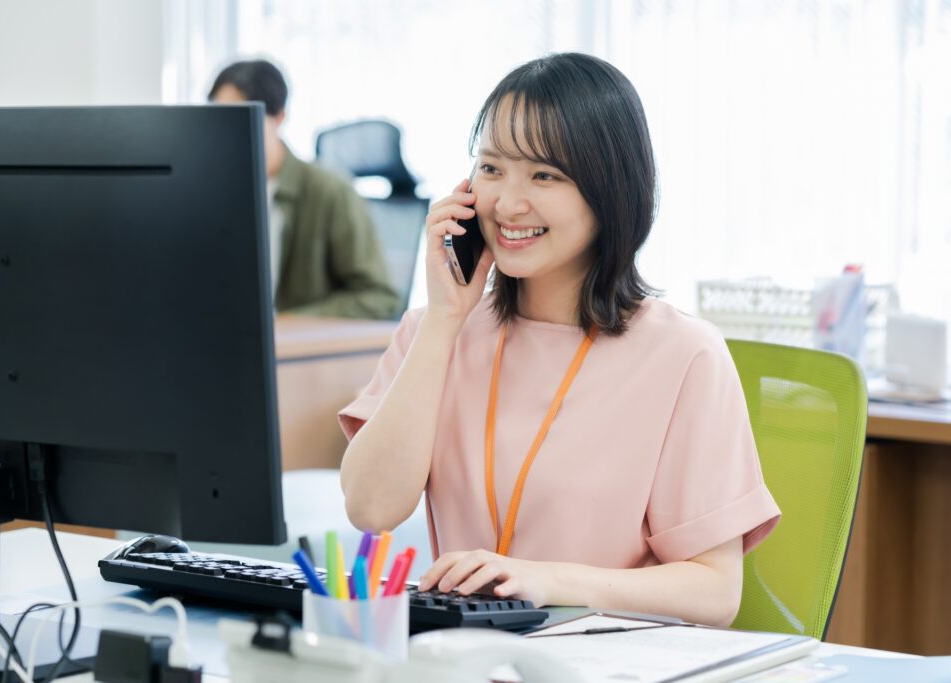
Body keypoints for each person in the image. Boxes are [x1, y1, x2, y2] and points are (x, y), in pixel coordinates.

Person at [337, 53, 780, 626]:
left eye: (544, 175)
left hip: (608, 662)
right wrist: (445, 322)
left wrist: (548, 580)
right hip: (466, 657)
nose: (507, 203)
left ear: (609, 192)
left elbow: (716, 593)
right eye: (492, 169)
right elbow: (371, 508)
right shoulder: (435, 332)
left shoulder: (684, 355)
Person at [209, 59, 401, 319]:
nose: (225, 134)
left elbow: (380, 298)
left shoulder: (329, 191)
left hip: (299, 351)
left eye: (239, 119)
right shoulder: (214, 191)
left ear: (279, 117)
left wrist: (289, 321)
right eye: (218, 120)